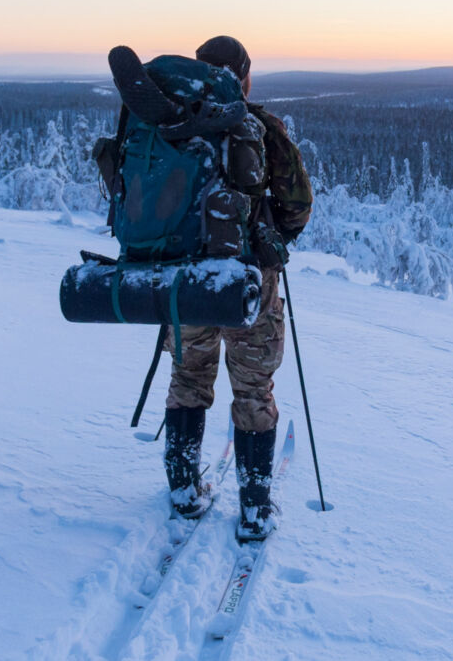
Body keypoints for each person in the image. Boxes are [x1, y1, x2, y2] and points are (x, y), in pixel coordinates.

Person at [163, 35, 313, 541]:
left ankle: (183, 491)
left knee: (188, 379)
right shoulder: (261, 129)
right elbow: (298, 205)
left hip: (185, 280)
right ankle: (253, 510)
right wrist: (270, 236)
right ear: (243, 77)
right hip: (247, 280)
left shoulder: (170, 125)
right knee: (253, 390)